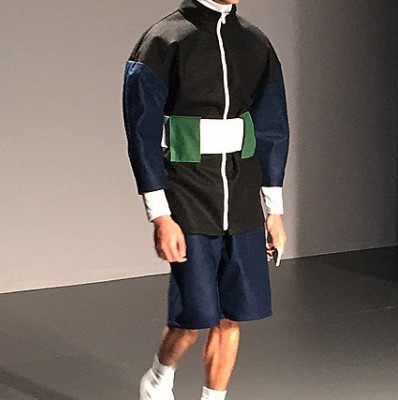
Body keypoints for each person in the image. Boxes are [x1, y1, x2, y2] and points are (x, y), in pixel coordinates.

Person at [122, 0, 289, 399]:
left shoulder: (255, 43)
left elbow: (272, 127)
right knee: (193, 317)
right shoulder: (164, 41)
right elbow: (142, 133)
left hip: (242, 196)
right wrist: (160, 216)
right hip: (188, 194)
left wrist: (274, 210)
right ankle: (159, 378)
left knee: (233, 316)